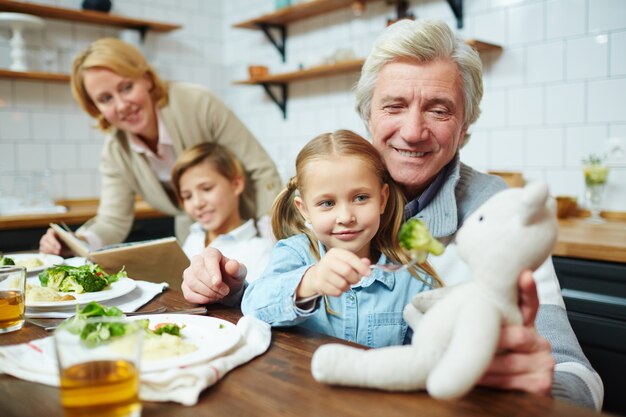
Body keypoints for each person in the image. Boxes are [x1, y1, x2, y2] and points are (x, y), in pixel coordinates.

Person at [181, 19, 603, 409]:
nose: (414, 131)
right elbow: (283, 295)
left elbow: (578, 376)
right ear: (367, 115)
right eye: (394, 106)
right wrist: (228, 288)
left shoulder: (498, 213)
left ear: (466, 125)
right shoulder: (331, 185)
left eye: (439, 109)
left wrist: (544, 386)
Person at [39, 37, 281, 255]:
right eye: (105, 98)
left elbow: (260, 170)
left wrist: (274, 237)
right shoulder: (115, 153)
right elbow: (113, 220)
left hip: (254, 227)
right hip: (199, 238)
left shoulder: (197, 103)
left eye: (126, 87)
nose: (122, 105)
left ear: (146, 78)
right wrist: (76, 242)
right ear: (95, 108)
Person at [241, 130, 442, 347]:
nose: (346, 217)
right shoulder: (294, 253)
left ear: (382, 199)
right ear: (304, 209)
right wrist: (309, 282)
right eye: (327, 203)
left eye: (360, 198)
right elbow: (252, 306)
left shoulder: (412, 278)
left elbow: (431, 352)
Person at [171, 142, 273, 282]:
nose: (197, 203)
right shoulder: (193, 239)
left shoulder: (261, 250)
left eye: (207, 189)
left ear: (236, 185)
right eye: (187, 196)